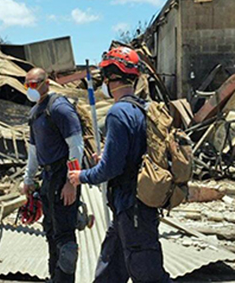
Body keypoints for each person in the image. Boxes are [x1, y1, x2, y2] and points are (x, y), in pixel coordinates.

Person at [68, 46, 172, 283]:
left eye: (105, 77)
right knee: (110, 270)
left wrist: (81, 176)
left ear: (111, 78)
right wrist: (105, 158)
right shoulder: (143, 109)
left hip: (132, 206)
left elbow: (111, 169)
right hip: (129, 206)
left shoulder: (118, 113)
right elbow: (128, 156)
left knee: (149, 275)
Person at [22, 67, 84, 283]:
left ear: (45, 83)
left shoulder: (60, 108)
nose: (29, 89)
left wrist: (71, 181)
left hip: (62, 175)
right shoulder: (34, 113)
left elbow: (76, 146)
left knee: (65, 238)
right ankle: (55, 277)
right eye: (26, 84)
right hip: (47, 178)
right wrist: (28, 180)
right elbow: (33, 150)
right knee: (50, 232)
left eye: (33, 84)